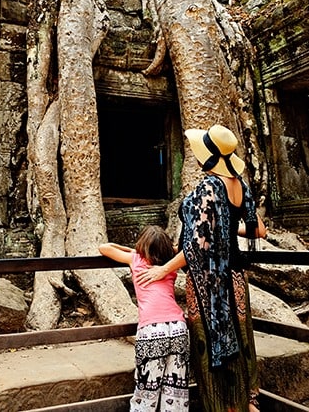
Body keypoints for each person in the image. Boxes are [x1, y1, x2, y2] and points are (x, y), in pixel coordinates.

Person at [137, 124, 267, 412]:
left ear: (207, 156)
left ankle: (224, 407)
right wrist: (229, 229)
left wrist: (162, 270)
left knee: (209, 347)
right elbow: (260, 229)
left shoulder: (208, 186)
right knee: (240, 338)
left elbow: (197, 245)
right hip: (236, 279)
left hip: (209, 283)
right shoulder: (239, 184)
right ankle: (247, 403)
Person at [99, 225, 190, 411]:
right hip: (179, 327)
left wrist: (135, 250)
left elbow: (105, 247)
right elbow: (184, 250)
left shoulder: (136, 259)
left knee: (147, 389)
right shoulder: (171, 263)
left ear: (143, 246)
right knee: (176, 390)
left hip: (152, 330)